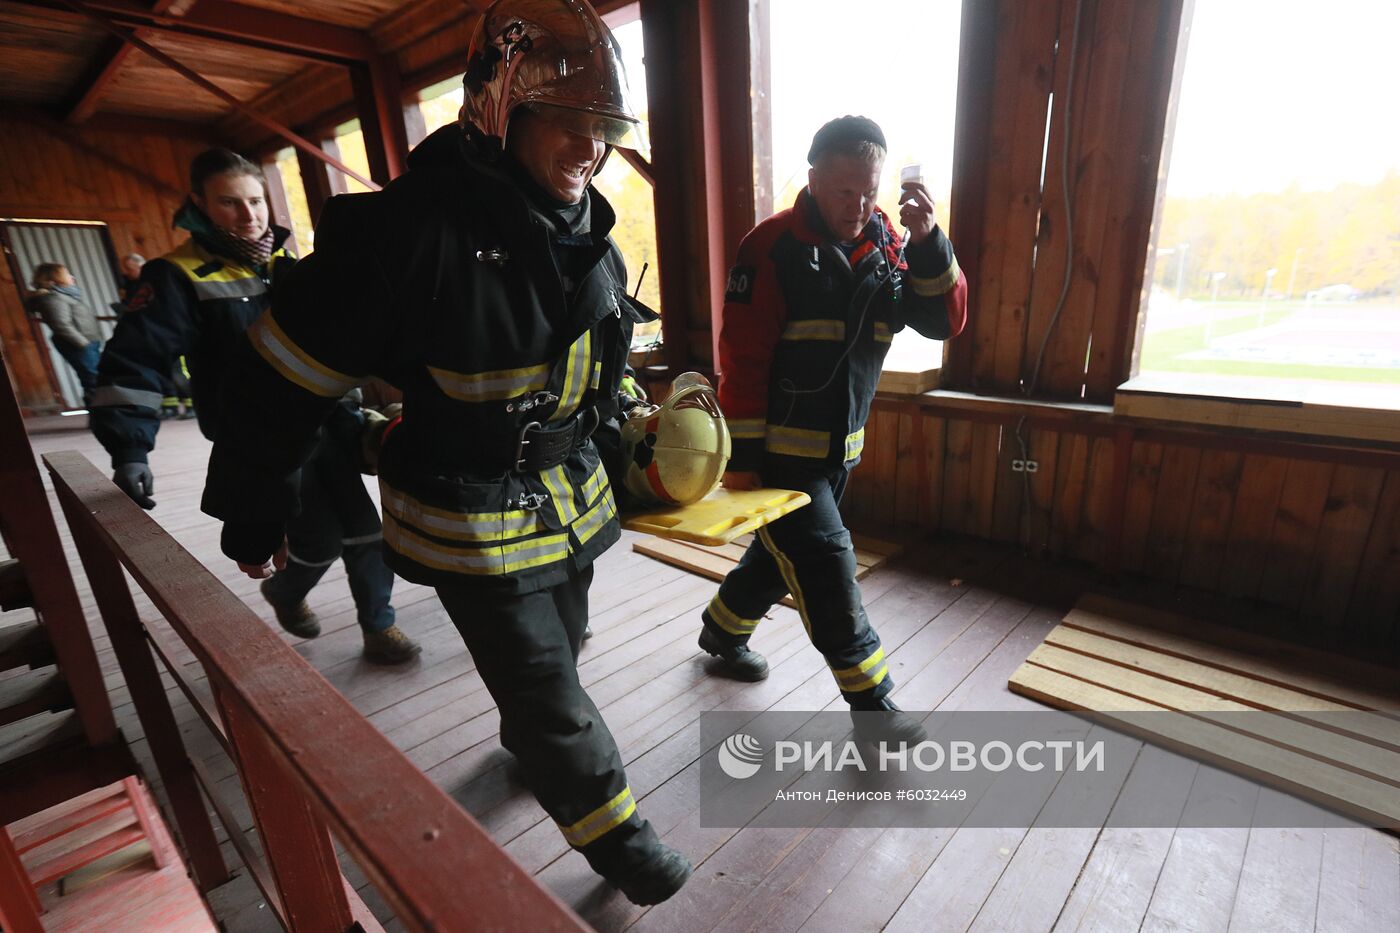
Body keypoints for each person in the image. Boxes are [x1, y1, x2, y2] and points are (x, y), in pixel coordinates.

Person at [201, 0, 691, 905]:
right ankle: (620, 835)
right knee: (546, 685)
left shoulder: (592, 230)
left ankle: (532, 738)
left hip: (569, 499)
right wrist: (252, 502)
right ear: (501, 111)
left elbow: (602, 357)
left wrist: (634, 427)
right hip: (471, 514)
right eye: (571, 123)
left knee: (563, 651)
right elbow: (277, 376)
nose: (590, 150)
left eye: (605, 128)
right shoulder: (402, 239)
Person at [89, 148, 418, 665]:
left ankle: (379, 626)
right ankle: (285, 592)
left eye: (257, 201)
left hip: (331, 420)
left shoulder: (294, 267)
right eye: (230, 203)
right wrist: (129, 449)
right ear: (198, 203)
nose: (250, 216)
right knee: (322, 536)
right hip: (259, 436)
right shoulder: (176, 276)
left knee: (365, 528)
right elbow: (136, 362)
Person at [698, 116, 968, 737]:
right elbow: (741, 357)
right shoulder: (770, 248)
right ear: (814, 178)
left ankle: (722, 631)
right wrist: (741, 458)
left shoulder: (890, 247)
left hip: (840, 452)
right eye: (845, 190)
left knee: (779, 553)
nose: (860, 204)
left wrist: (928, 240)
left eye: (870, 191)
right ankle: (872, 704)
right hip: (780, 455)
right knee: (825, 561)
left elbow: (943, 323)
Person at [28, 262, 102, 404]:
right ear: (54, 278)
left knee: (94, 379)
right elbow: (61, 325)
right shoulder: (53, 299)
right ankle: (100, 417)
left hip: (86, 343)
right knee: (93, 381)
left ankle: (101, 416)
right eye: (67, 274)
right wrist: (83, 343)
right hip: (78, 345)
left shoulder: (64, 295)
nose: (72, 277)